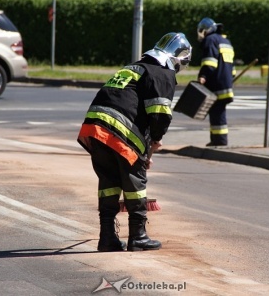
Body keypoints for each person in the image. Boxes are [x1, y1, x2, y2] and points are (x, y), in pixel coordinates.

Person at [77, 32, 192, 252]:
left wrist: (146, 147)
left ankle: (107, 237)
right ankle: (138, 236)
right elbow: (160, 113)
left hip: (94, 127)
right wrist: (155, 141)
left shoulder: (133, 68)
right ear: (177, 58)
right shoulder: (162, 73)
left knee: (109, 182)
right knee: (135, 182)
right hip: (120, 129)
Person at [197, 17, 236, 146]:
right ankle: (217, 139)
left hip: (216, 85)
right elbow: (233, 69)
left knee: (216, 112)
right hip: (226, 85)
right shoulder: (226, 42)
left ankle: (219, 141)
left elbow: (209, 62)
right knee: (218, 111)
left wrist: (203, 76)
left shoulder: (210, 40)